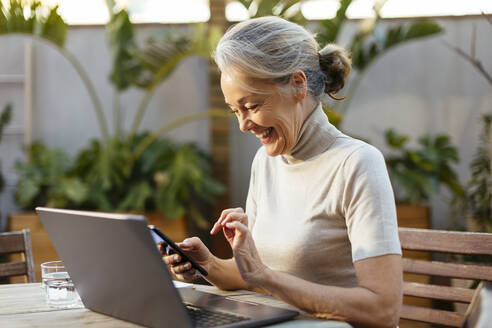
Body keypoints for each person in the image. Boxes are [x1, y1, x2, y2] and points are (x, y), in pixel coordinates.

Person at [160, 16, 403, 327]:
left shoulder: (357, 163)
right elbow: (254, 275)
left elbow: (382, 310)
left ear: (298, 85)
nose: (243, 124)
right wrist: (206, 265)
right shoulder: (267, 162)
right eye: (236, 110)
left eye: (251, 106)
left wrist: (265, 277)